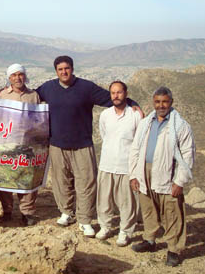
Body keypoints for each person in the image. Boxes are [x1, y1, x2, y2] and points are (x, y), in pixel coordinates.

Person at [36, 55, 141, 237]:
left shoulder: (86, 87)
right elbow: (31, 99)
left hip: (82, 144)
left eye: (67, 68)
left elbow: (112, 98)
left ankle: (85, 220)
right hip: (57, 144)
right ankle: (67, 212)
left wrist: (133, 103)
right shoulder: (48, 88)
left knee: (86, 183)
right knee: (61, 182)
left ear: (72, 69)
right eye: (60, 69)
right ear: (56, 71)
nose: (64, 72)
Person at [129, 87, 195, 267]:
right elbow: (135, 149)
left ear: (171, 102)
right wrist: (134, 174)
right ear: (153, 103)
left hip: (168, 173)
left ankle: (174, 249)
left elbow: (188, 155)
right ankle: (149, 240)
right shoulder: (146, 123)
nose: (161, 105)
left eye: (164, 102)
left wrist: (179, 181)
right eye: (157, 102)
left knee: (172, 213)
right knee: (148, 208)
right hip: (145, 171)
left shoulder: (180, 126)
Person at [96, 80, 141, 246]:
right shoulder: (105, 115)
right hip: (107, 164)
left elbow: (139, 141)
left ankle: (125, 231)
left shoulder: (135, 115)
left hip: (126, 166)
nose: (116, 95)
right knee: (104, 199)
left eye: (119, 92)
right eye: (113, 93)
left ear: (126, 94)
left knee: (127, 201)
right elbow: (104, 135)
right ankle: (105, 227)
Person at [0, 64, 41, 226]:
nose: (17, 78)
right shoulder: (2, 95)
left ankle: (27, 212)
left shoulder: (34, 95)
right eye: (14, 75)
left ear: (25, 76)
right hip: (7, 143)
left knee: (27, 178)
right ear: (9, 78)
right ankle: (6, 210)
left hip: (28, 144)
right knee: (5, 177)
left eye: (20, 75)